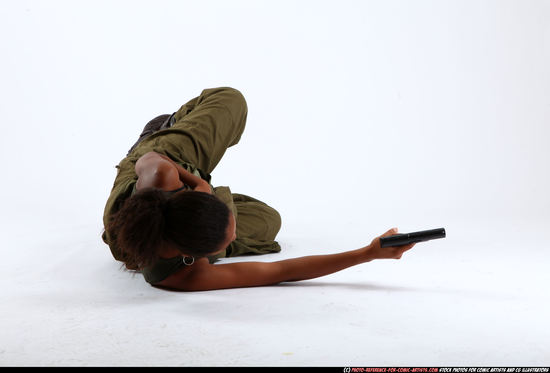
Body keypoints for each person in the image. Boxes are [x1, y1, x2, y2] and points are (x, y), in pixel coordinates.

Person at [102, 87, 416, 291]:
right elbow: (279, 271)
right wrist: (369, 254)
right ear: (193, 255)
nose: (234, 236)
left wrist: (197, 181)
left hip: (161, 162)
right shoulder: (182, 276)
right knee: (270, 221)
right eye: (226, 242)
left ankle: (173, 131)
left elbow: (150, 158)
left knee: (231, 100)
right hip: (172, 192)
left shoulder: (161, 175)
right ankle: (189, 155)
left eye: (228, 228)